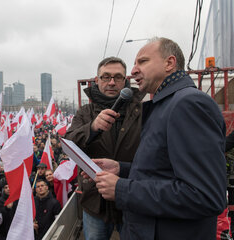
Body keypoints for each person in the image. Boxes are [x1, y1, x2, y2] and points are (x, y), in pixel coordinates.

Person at [92, 37, 227, 240]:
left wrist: (122, 189)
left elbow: (204, 195)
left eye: (142, 61)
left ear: (169, 63)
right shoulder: (165, 104)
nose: (134, 70)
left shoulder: (188, 104)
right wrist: (121, 169)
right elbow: (164, 171)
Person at [65, 56, 144, 239]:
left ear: (125, 81)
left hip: (132, 196)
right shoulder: (85, 112)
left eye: (117, 77)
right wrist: (91, 128)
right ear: (97, 80)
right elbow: (68, 144)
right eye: (105, 77)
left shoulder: (141, 110)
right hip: (95, 200)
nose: (111, 82)